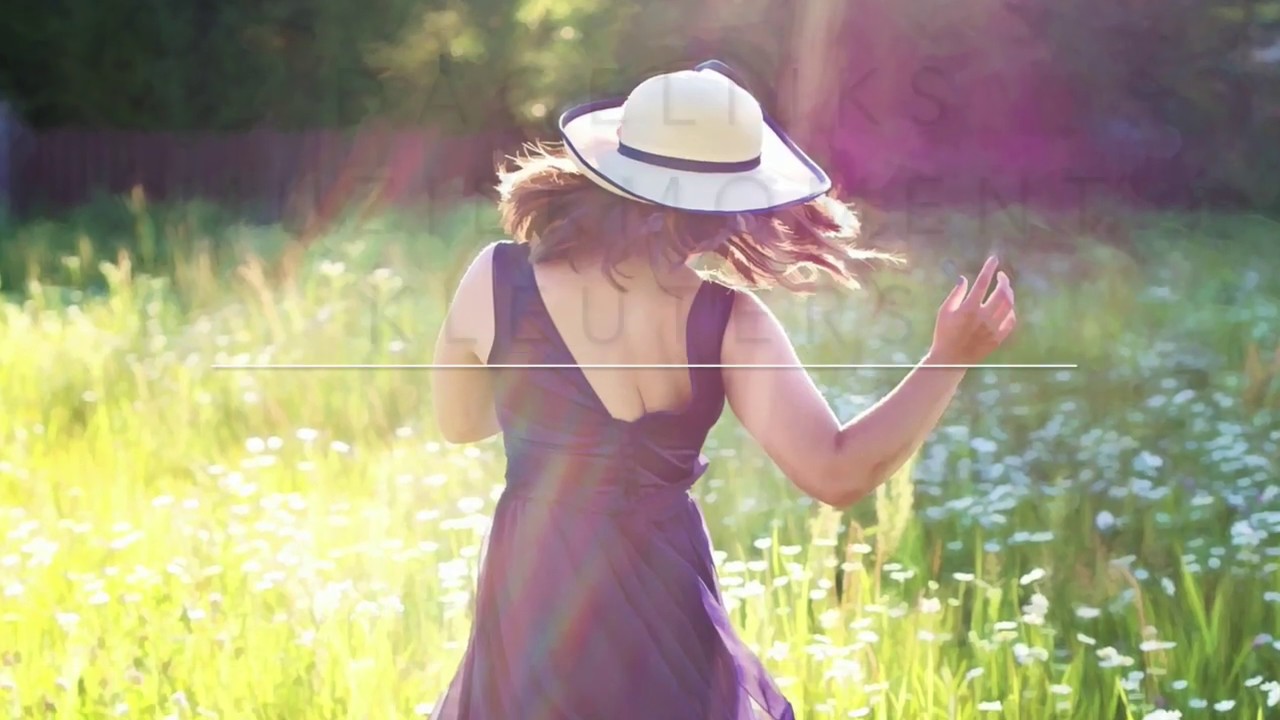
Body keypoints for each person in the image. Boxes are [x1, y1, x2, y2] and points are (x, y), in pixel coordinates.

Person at [429, 60, 1016, 720]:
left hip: (532, 601)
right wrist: (947, 359)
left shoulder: (496, 278)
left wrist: (541, 386)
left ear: (613, 172)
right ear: (726, 209)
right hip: (665, 606)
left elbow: (460, 423)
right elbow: (838, 473)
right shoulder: (730, 321)